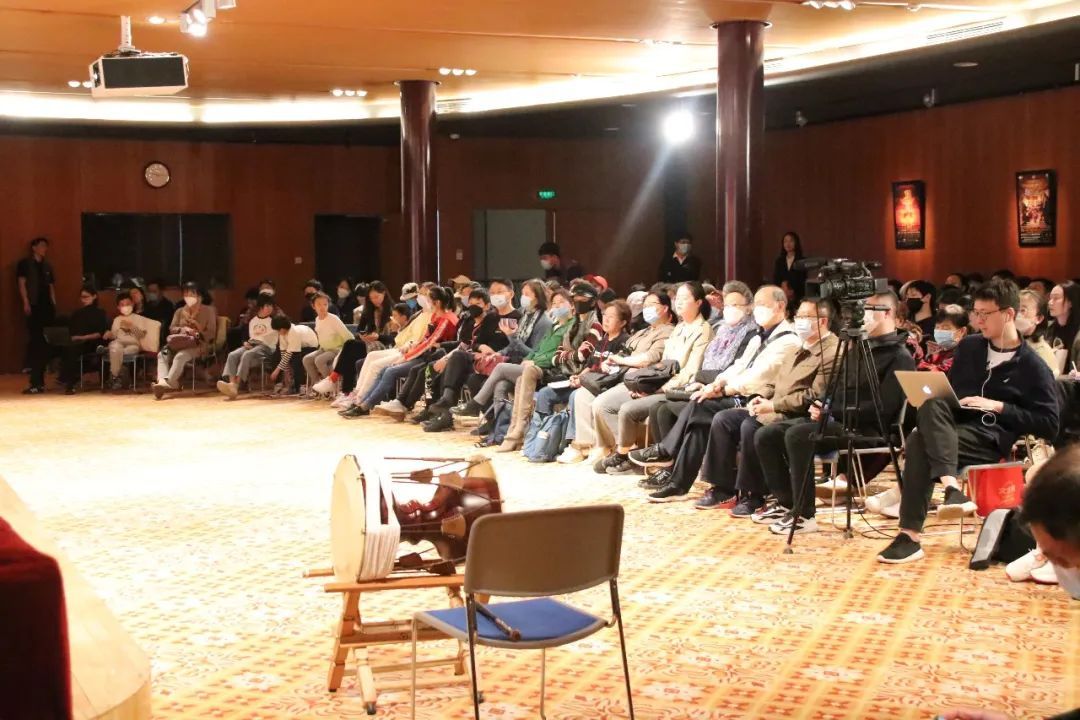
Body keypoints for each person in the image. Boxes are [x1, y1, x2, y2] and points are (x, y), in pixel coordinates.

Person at [876, 280, 1060, 564]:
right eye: (976, 313)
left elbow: (1049, 423)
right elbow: (952, 392)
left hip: (989, 437)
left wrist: (1000, 406)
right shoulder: (970, 347)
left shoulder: (1032, 366)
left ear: (1008, 314)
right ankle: (952, 489)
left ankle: (909, 536)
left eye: (985, 314)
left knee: (918, 440)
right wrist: (949, 398)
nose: (978, 320)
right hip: (953, 426)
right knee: (932, 401)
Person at [754, 292, 915, 534]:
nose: (863, 315)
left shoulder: (900, 357)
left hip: (868, 429)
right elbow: (836, 389)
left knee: (798, 436)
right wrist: (822, 403)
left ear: (888, 313)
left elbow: (884, 408)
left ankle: (804, 515)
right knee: (766, 435)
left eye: (870, 309)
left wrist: (833, 409)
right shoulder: (858, 348)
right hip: (837, 419)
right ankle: (787, 503)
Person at [670, 298, 839, 512]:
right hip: (775, 405)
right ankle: (723, 489)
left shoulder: (831, 351)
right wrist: (761, 396)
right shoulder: (800, 346)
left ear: (822, 321)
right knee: (724, 419)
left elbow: (813, 395)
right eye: (798, 316)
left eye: (805, 317)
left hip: (798, 414)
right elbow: (775, 381)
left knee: (750, 425)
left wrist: (773, 405)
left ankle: (754, 494)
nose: (799, 321)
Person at [633, 285, 799, 501]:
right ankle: (679, 483)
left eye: (762, 305)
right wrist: (716, 384)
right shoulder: (759, 337)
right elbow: (739, 366)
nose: (757, 309)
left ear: (780, 306)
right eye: (756, 304)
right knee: (699, 419)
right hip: (739, 392)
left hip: (761, 399)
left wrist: (722, 389)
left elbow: (759, 375)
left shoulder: (789, 340)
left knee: (700, 407)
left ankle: (669, 458)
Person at [591, 281, 714, 473]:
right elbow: (663, 366)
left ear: (698, 302)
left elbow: (690, 372)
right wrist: (647, 386)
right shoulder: (680, 327)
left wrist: (655, 390)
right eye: (677, 298)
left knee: (628, 409)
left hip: (677, 389)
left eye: (685, 298)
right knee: (604, 403)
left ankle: (626, 456)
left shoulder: (703, 330)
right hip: (658, 383)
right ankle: (625, 453)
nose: (679, 302)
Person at [560, 290, 675, 462]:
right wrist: (611, 362)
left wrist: (619, 360)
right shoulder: (642, 332)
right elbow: (623, 353)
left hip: (642, 380)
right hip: (623, 377)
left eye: (652, 305)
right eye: (645, 306)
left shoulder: (667, 331)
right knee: (581, 395)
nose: (647, 309)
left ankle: (623, 450)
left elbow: (649, 358)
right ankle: (591, 445)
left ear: (665, 308)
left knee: (601, 404)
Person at [498, 282, 604, 451]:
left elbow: (582, 356)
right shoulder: (571, 325)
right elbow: (557, 357)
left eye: (582, 299)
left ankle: (520, 431)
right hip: (559, 371)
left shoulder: (595, 326)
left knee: (524, 371)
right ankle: (517, 431)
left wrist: (566, 355)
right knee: (520, 379)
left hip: (574, 376)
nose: (578, 301)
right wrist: (569, 354)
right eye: (575, 298)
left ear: (592, 301)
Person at [418, 279, 523, 430]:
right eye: (493, 292)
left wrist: (495, 353)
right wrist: (481, 347)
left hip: (502, 361)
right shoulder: (490, 317)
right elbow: (475, 343)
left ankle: (452, 409)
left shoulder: (518, 317)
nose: (495, 295)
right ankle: (445, 412)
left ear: (511, 294)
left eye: (499, 292)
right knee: (451, 364)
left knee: (463, 368)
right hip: (482, 360)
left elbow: (516, 346)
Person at [448, 279, 553, 419]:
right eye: (523, 294)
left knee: (499, 374)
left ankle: (475, 405)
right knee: (477, 379)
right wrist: (498, 353)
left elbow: (534, 354)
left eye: (527, 294)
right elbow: (512, 346)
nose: (523, 298)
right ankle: (494, 425)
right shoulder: (526, 316)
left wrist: (512, 337)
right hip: (516, 362)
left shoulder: (543, 322)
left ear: (538, 297)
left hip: (531, 366)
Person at [354, 286, 459, 415]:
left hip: (434, 357)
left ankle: (369, 405)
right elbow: (425, 340)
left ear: (436, 302)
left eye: (428, 300)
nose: (426, 302)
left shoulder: (446, 319)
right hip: (423, 354)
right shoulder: (434, 317)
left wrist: (406, 357)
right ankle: (364, 402)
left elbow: (429, 343)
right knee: (385, 368)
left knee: (392, 371)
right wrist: (411, 348)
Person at [316, 281, 397, 396]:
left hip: (385, 346)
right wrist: (363, 336)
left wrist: (378, 336)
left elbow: (394, 338)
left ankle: (335, 381)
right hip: (370, 344)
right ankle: (346, 392)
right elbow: (360, 330)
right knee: (351, 352)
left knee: (350, 346)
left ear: (384, 293)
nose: (374, 300)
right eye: (371, 298)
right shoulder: (369, 310)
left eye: (377, 297)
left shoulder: (393, 311)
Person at [152, 282, 218, 399]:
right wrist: (182, 329)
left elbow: (211, 333)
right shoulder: (179, 311)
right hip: (178, 342)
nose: (188, 297)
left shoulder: (209, 311)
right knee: (162, 354)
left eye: (192, 294)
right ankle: (162, 382)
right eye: (186, 294)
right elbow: (172, 328)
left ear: (199, 296)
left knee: (180, 356)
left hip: (198, 344)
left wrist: (197, 331)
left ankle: (170, 382)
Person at [216, 294, 278, 398]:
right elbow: (250, 337)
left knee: (247, 355)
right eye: (267, 306)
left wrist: (255, 343)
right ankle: (231, 384)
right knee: (232, 355)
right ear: (261, 307)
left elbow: (271, 340)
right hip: (252, 345)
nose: (270, 308)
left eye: (271, 306)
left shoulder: (273, 321)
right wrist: (245, 343)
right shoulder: (253, 321)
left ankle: (236, 386)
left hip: (266, 347)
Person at [51, 285, 109, 395]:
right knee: (68, 348)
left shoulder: (100, 313)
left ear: (94, 296)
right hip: (78, 342)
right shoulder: (77, 313)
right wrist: (75, 338)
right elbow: (72, 332)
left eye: (86, 297)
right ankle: (68, 381)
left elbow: (100, 333)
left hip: (93, 342)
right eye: (82, 297)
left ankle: (69, 382)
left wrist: (82, 337)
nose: (83, 300)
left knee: (74, 349)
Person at [17, 237, 56, 393]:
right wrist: (25, 302)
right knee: (36, 340)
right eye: (41, 245)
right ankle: (35, 377)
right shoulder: (25, 264)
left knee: (46, 340)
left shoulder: (47, 265)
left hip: (47, 307)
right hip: (34, 305)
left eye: (45, 246)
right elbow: (21, 283)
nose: (44, 248)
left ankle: (42, 375)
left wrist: (54, 303)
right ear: (33, 247)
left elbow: (51, 286)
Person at [301, 292, 354, 396]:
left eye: (325, 304)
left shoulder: (333, 319)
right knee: (306, 359)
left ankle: (329, 385)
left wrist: (346, 352)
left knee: (319, 360)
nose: (322, 307)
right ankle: (317, 385)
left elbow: (349, 336)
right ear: (313, 306)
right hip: (324, 349)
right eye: (319, 304)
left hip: (336, 349)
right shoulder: (317, 319)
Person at [103, 291, 155, 391]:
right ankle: (116, 376)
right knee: (115, 347)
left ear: (132, 304)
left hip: (133, 345)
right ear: (118, 307)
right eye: (122, 305)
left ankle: (114, 376)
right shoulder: (117, 319)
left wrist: (131, 327)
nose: (125, 307)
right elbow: (114, 335)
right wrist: (109, 334)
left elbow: (142, 335)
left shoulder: (139, 318)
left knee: (116, 352)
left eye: (127, 304)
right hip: (119, 343)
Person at [268, 315, 319, 394]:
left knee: (296, 359)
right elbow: (283, 353)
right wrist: (287, 371)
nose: (278, 332)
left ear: (283, 328)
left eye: (278, 330)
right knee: (276, 355)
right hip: (298, 348)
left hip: (310, 347)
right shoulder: (282, 333)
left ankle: (302, 385)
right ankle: (284, 383)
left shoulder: (294, 332)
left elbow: (289, 353)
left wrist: (277, 370)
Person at [917, 304, 970, 373]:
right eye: (937, 327)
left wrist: (917, 354)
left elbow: (938, 372)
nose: (940, 331)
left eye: (946, 328)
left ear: (962, 331)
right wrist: (929, 356)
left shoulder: (964, 354)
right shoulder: (938, 352)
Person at [1016, 288, 1058, 373]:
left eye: (1023, 310)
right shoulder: (1004, 343)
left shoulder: (1041, 352)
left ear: (1039, 318)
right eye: (1015, 309)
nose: (1017, 315)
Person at [1046, 281, 1080, 373]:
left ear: (1071, 302)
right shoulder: (1047, 329)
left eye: (1056, 298)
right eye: (1050, 298)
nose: (1050, 302)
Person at [772, 231, 806, 303]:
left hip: (798, 296)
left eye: (791, 241)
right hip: (781, 296)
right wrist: (783, 288)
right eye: (785, 241)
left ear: (796, 243)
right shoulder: (779, 261)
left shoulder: (802, 261)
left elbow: (803, 279)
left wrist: (792, 291)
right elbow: (776, 279)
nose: (788, 244)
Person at [143, 279, 175, 347]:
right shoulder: (146, 306)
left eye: (154, 291)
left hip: (163, 339)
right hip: (147, 337)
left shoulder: (168, 305)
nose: (151, 294)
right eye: (150, 291)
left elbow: (166, 325)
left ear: (161, 292)